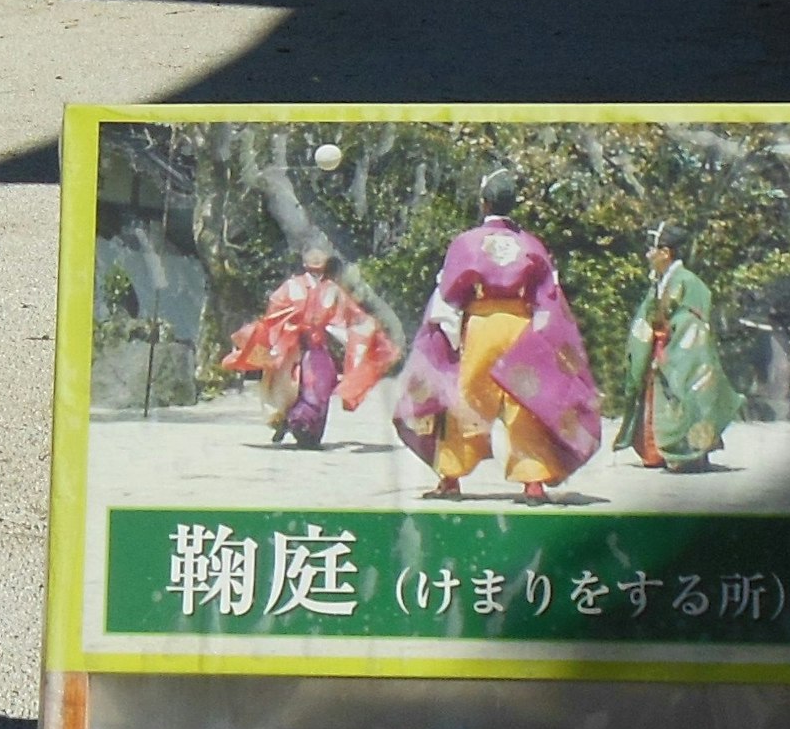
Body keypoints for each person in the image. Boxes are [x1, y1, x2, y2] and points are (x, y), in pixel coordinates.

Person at [392, 168, 605, 502]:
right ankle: (533, 481)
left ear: (484, 202)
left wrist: (444, 336)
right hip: (522, 324)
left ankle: (450, 477)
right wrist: (546, 336)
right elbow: (550, 293)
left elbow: (448, 294)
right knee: (525, 400)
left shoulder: (467, 243)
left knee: (465, 395)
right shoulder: (531, 244)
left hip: (481, 322)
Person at [219, 242, 395, 448]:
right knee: (285, 390)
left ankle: (305, 427)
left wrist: (369, 328)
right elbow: (273, 316)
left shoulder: (333, 290)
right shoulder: (290, 287)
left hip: (316, 347)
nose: (316, 259)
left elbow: (353, 317)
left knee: (320, 383)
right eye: (311, 254)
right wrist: (287, 328)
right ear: (303, 261)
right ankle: (290, 421)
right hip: (290, 348)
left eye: (320, 254)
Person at [619, 225, 742, 471]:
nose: (647, 255)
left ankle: (690, 453)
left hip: (682, 353)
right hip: (661, 349)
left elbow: (691, 323)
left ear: (665, 252)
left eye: (651, 249)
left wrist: (666, 337)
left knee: (688, 396)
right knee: (659, 401)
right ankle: (658, 452)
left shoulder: (688, 282)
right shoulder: (661, 282)